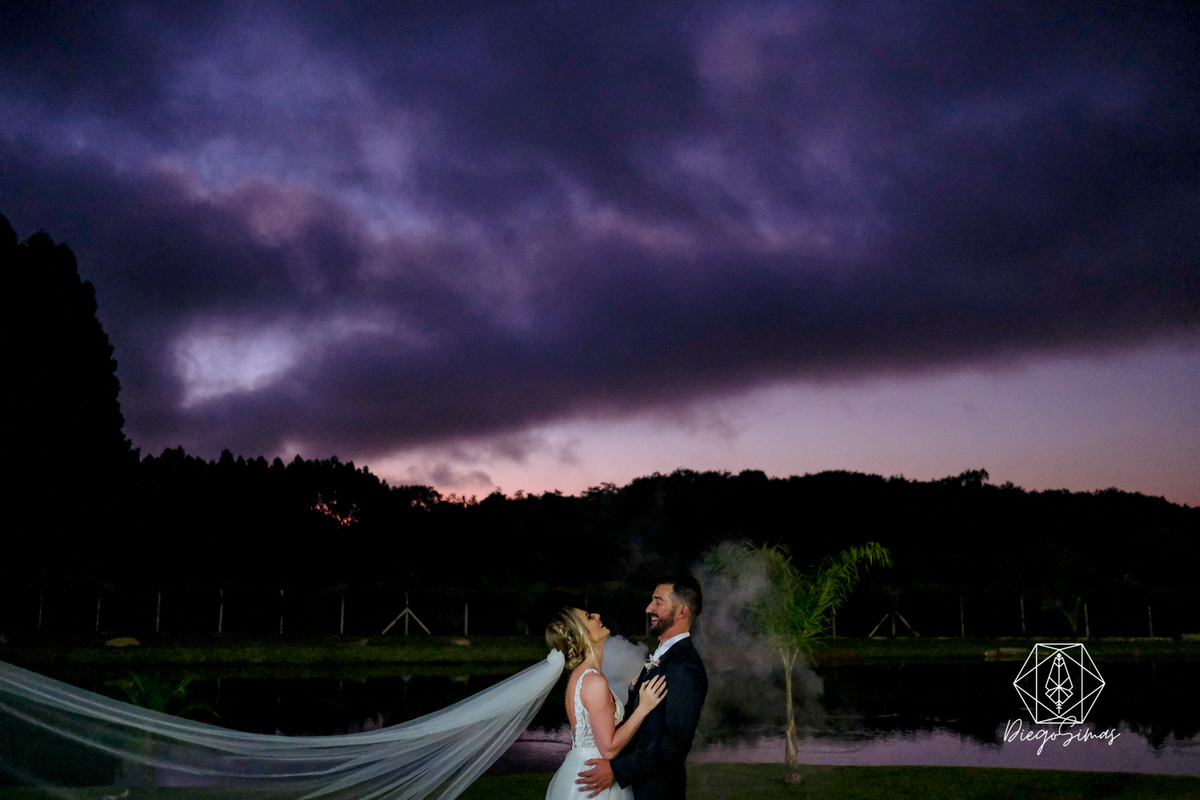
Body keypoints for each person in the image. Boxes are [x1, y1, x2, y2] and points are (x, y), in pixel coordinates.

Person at [577, 577, 708, 800]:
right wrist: (634, 695)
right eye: (651, 601)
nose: (649, 608)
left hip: (656, 790)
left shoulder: (686, 666)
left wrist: (619, 770)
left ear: (681, 612)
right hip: (637, 787)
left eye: (658, 602)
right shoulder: (663, 656)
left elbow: (676, 741)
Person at [544, 608, 668, 800]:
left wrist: (630, 695)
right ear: (581, 635)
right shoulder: (594, 681)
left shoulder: (582, 676)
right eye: (589, 617)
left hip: (584, 767)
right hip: (596, 778)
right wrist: (644, 707)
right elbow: (608, 748)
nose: (598, 616)